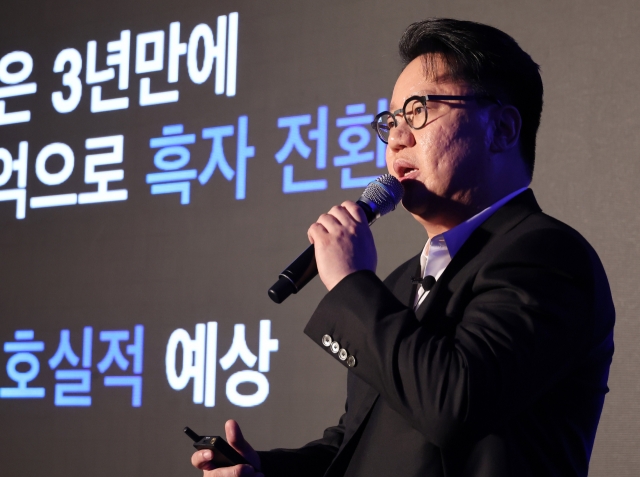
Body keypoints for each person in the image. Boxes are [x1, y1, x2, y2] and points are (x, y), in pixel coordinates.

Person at [191, 18, 615, 477]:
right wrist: (264, 471)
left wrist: (352, 283)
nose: (396, 137)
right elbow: (358, 441)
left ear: (502, 129)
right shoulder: (398, 283)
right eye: (391, 120)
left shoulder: (546, 255)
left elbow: (453, 403)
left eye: (418, 111)